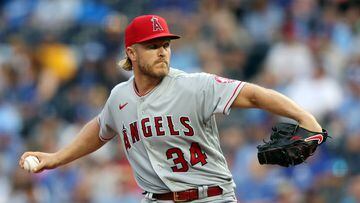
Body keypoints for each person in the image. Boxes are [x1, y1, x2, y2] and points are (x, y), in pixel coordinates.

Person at [19, 15, 322, 202]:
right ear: (131, 53)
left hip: (211, 198)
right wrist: (57, 158)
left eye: (165, 44)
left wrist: (304, 117)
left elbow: (255, 95)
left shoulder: (195, 85)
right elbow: (100, 130)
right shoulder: (119, 97)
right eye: (153, 46)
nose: (162, 51)